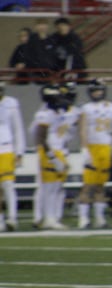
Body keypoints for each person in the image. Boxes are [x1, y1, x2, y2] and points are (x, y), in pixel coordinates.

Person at [31, 84, 74, 230]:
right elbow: (40, 137)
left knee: (56, 187)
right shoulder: (44, 114)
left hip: (58, 150)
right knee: (49, 188)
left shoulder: (57, 112)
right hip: (49, 152)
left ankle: (52, 217)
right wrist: (52, 157)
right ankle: (48, 218)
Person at [77, 79, 112, 229]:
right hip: (92, 148)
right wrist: (84, 150)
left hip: (106, 148)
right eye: (94, 90)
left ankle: (100, 219)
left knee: (101, 186)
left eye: (99, 90)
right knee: (88, 185)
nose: (97, 93)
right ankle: (83, 219)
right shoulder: (86, 108)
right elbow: (82, 129)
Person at [0, 82, 25, 231]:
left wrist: (19, 151)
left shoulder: (11, 103)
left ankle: (12, 218)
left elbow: (18, 128)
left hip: (6, 147)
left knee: (8, 185)